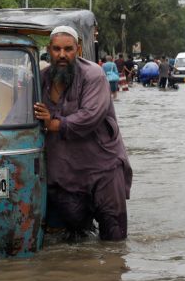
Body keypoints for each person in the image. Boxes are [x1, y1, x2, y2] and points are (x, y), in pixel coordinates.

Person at [33, 26, 133, 241]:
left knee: (114, 237)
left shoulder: (93, 75)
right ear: (48, 50)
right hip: (64, 172)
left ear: (78, 50)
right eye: (57, 49)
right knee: (74, 238)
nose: (62, 55)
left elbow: (90, 116)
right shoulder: (40, 79)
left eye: (68, 49)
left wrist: (53, 124)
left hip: (101, 168)